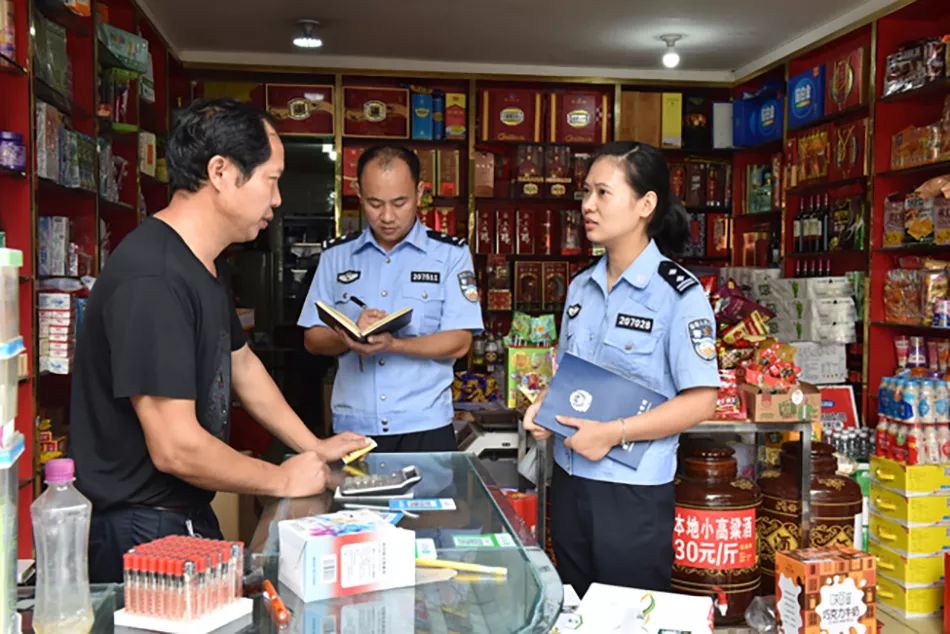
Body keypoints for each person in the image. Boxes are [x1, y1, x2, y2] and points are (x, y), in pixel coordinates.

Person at [69, 98, 369, 583]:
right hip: (141, 531)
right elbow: (176, 447)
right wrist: (281, 477)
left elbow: (242, 365)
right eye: (271, 180)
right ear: (222, 172)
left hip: (176, 515)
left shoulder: (201, 265)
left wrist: (313, 444)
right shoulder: (154, 277)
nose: (277, 199)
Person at [522, 142, 719, 598]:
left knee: (630, 616)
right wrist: (544, 410)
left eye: (603, 193)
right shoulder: (580, 288)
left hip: (632, 492)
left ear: (645, 205)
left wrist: (614, 433)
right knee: (577, 607)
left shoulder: (679, 295)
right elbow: (573, 377)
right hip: (570, 480)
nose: (587, 206)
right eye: (586, 192)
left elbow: (701, 400)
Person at [299, 145, 484, 452]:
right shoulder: (336, 256)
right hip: (354, 427)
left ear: (419, 192)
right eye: (374, 203)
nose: (387, 216)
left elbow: (460, 341)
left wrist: (394, 344)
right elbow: (312, 338)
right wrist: (350, 336)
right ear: (358, 194)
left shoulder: (450, 255)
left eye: (400, 203)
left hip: (425, 426)